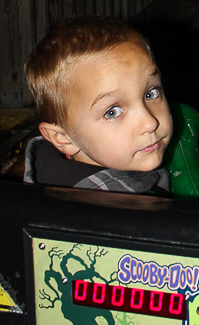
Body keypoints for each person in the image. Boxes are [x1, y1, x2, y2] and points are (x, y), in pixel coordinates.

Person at [24, 15, 173, 194]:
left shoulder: (138, 153)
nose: (150, 123)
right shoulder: (99, 211)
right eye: (112, 112)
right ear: (63, 138)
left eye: (151, 93)